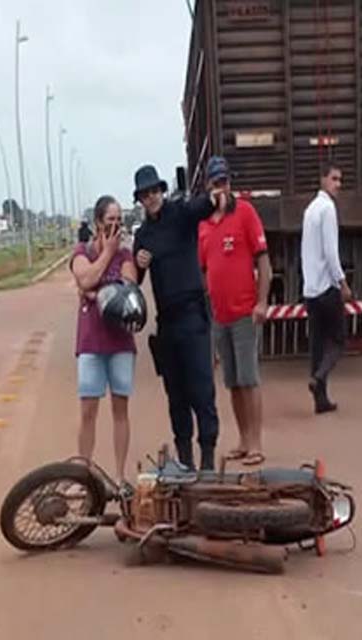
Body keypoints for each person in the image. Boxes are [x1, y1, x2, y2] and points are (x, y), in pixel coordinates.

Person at [132, 164, 226, 470]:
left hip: (193, 318)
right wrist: (139, 260)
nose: (152, 197)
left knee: (202, 389)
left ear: (161, 191)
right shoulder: (143, 234)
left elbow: (201, 206)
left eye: (155, 191)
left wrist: (214, 195)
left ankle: (208, 462)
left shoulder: (180, 215)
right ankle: (185, 462)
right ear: (141, 200)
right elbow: (135, 275)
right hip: (167, 323)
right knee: (177, 396)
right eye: (145, 194)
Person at [198, 157, 271, 464]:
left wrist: (262, 301)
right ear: (208, 187)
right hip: (219, 315)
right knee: (232, 382)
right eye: (216, 183)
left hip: (244, 312)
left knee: (248, 378)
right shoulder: (202, 224)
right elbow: (204, 270)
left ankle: (256, 443)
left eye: (225, 182)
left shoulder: (245, 213)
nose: (221, 188)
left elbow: (264, 261)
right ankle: (242, 439)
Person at [70, 196, 137, 482]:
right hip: (91, 342)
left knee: (120, 408)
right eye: (110, 220)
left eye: (119, 220)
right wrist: (107, 253)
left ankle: (120, 477)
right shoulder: (82, 252)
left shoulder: (126, 257)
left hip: (120, 342)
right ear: (98, 223)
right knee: (88, 410)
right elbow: (85, 279)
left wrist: (97, 293)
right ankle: (84, 474)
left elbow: (127, 291)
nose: (116, 226)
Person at [301, 165, 352, 414]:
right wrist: (342, 282)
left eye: (340, 179)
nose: (338, 184)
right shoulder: (328, 209)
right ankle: (319, 378)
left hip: (310, 288)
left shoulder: (310, 210)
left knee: (317, 345)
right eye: (334, 179)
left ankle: (320, 400)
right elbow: (331, 252)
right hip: (326, 287)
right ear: (322, 180)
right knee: (339, 341)